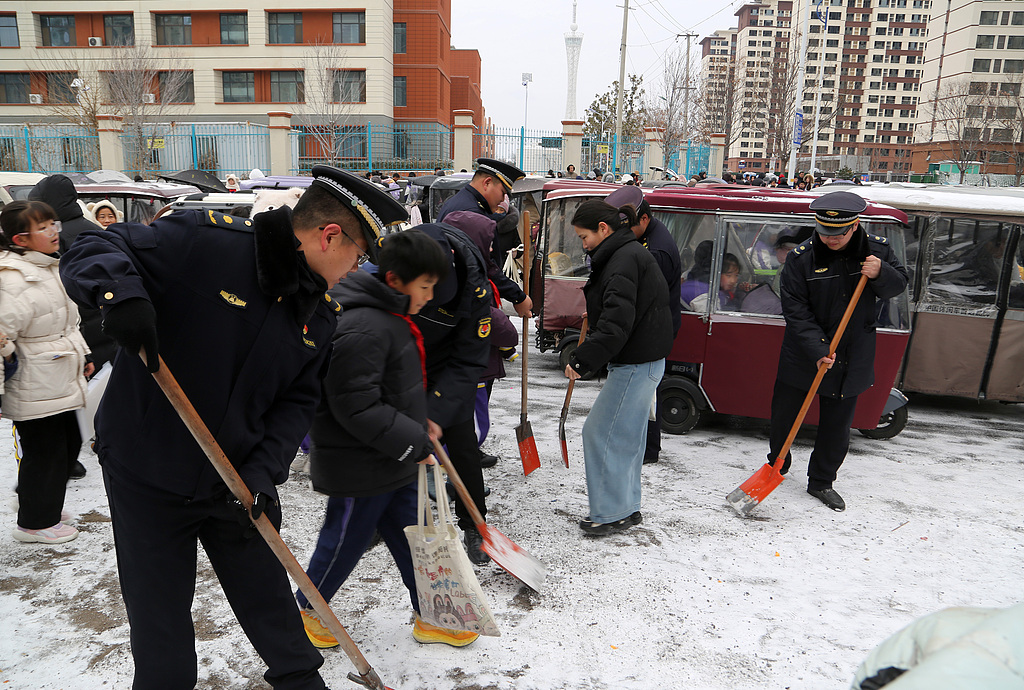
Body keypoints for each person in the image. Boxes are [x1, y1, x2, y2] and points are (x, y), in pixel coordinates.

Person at [59, 166, 408, 689]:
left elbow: (295, 403)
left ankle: (299, 680)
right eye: (358, 256)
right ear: (329, 235)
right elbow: (89, 245)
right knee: (160, 614)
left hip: (235, 479)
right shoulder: (203, 245)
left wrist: (264, 472)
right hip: (148, 469)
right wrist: (119, 296)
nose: (356, 270)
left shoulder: (319, 316)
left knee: (265, 590)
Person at [296, 230, 480, 649]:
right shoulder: (364, 326)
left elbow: (391, 392)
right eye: (426, 286)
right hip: (357, 464)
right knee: (343, 540)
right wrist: (412, 441)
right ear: (396, 279)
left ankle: (431, 614)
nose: (431, 296)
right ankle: (308, 611)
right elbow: (355, 406)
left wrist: (422, 426)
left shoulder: (391, 317)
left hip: (390, 458)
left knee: (408, 536)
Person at [767, 191, 908, 511]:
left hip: (851, 354)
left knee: (836, 426)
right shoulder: (801, 258)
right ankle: (777, 463)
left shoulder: (878, 251)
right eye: (825, 232)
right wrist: (818, 348)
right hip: (804, 352)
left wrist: (880, 272)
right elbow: (795, 309)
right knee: (784, 417)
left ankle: (821, 481)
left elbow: (899, 284)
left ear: (855, 224)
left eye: (839, 233)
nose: (831, 239)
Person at [566, 199, 673, 536]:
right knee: (626, 436)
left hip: (636, 361)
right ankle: (626, 507)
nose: (583, 245)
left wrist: (580, 360)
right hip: (646, 357)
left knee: (600, 433)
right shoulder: (627, 252)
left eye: (584, 237)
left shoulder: (623, 259)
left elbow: (616, 326)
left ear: (603, 229)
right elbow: (626, 307)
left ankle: (609, 513)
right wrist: (596, 313)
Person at [1, 201, 92, 544]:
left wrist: (82, 354)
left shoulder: (47, 266)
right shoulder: (12, 278)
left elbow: (67, 322)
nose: (55, 231)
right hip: (34, 379)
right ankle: (35, 523)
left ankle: (40, 505)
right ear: (21, 239)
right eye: (44, 228)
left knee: (68, 445)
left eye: (53, 223)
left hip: (58, 373)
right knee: (46, 452)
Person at [411, 222, 493, 563]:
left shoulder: (474, 292)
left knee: (462, 446)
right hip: (403, 364)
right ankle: (381, 517)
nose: (428, 299)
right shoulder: (399, 262)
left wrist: (437, 409)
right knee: (395, 446)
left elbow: (469, 358)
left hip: (447, 370)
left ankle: (475, 524)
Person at [28, 174, 111, 477]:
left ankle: (67, 459)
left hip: (75, 328)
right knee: (100, 392)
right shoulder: (93, 229)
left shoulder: (53, 237)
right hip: (105, 321)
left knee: (73, 398)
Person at [605, 185, 681, 464]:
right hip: (649, 325)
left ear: (644, 220)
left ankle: (648, 450)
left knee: (647, 392)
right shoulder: (647, 235)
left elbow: (644, 297)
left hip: (653, 329)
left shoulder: (658, 250)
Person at [436, 158, 533, 320]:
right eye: (503, 193)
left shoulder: (462, 202)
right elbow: (485, 266)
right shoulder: (471, 213)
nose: (503, 200)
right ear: (487, 183)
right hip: (465, 305)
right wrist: (518, 297)